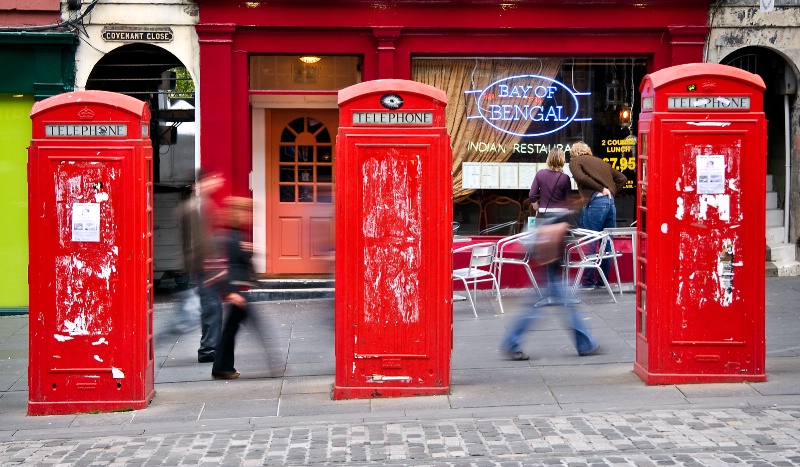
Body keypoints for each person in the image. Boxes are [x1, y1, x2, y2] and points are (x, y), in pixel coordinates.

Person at [500, 148, 600, 360]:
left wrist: (538, 208)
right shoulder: (564, 178)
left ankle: (584, 343)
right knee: (558, 296)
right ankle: (584, 343)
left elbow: (532, 195)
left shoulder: (539, 174)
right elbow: (565, 199)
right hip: (558, 224)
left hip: (544, 219)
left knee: (549, 295)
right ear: (562, 161)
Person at [568, 142, 627, 289]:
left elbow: (580, 178)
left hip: (595, 203)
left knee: (590, 241)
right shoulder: (602, 162)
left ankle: (587, 282)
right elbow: (622, 178)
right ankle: (602, 281)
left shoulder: (575, 161)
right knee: (607, 243)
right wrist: (611, 191)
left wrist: (601, 189)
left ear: (574, 152)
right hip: (610, 203)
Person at [181, 168, 226, 363]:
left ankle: (211, 346)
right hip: (204, 268)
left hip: (208, 266)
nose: (215, 183)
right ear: (199, 184)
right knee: (211, 308)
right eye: (211, 180)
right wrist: (210, 268)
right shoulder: (194, 207)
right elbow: (197, 242)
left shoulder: (204, 204)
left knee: (213, 307)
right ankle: (208, 349)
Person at [212, 196, 256, 380]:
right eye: (248, 212)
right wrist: (231, 291)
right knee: (231, 331)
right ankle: (222, 367)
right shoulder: (233, 236)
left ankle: (222, 367)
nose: (251, 216)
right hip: (236, 290)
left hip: (237, 289)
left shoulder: (236, 234)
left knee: (230, 329)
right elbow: (230, 265)